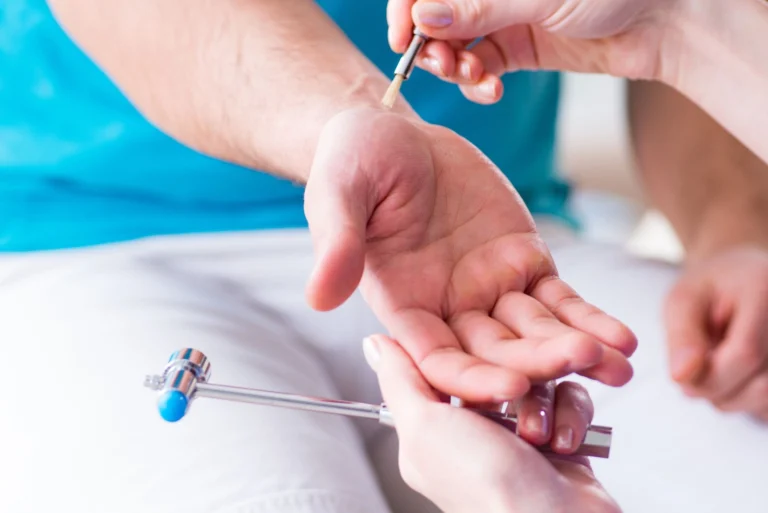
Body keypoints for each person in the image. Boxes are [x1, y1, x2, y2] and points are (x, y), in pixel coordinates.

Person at [1, 2, 768, 513]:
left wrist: (735, 227)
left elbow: (653, 15)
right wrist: (346, 122)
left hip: (488, 250)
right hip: (91, 249)